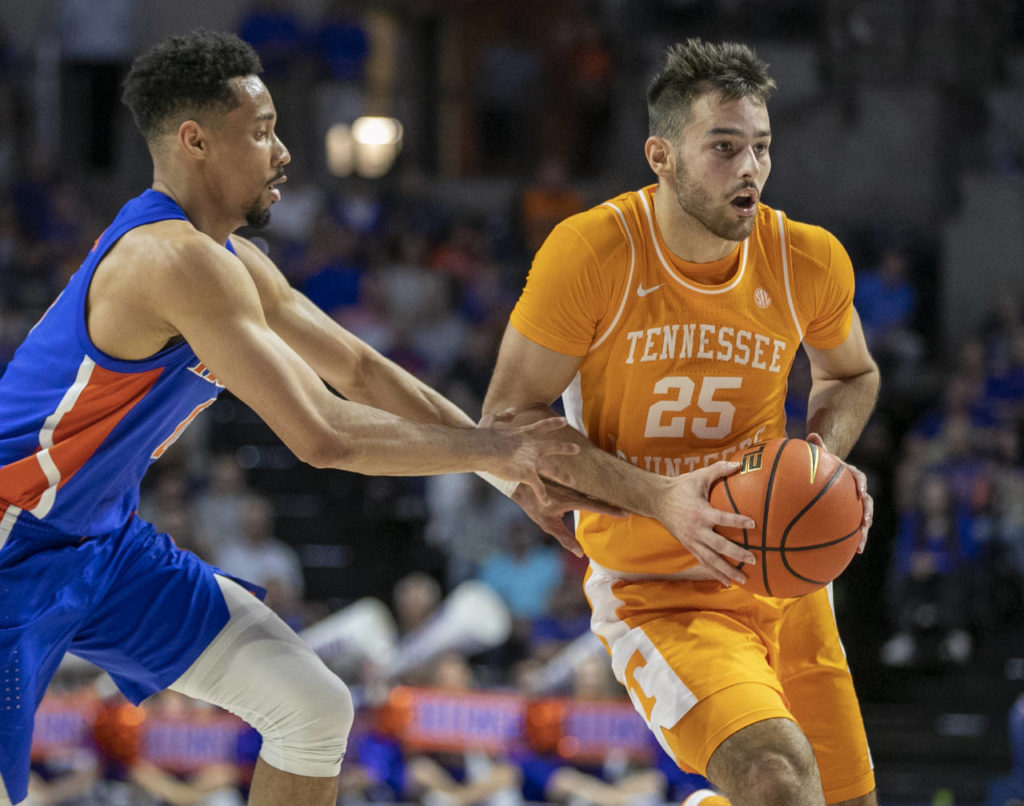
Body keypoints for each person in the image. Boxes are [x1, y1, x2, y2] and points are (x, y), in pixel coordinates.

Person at [0, 29, 587, 806]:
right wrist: (499, 451)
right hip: (10, 544)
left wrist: (509, 476)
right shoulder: (171, 260)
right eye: (262, 132)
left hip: (101, 546)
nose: (283, 153)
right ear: (195, 141)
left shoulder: (234, 262)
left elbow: (361, 371)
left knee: (311, 708)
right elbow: (323, 435)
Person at [482, 39, 880, 806]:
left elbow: (852, 373)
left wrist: (820, 464)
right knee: (774, 779)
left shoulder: (805, 258)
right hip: (657, 588)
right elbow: (505, 420)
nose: (750, 169)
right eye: (724, 148)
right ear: (660, 156)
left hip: (783, 576)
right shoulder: (593, 252)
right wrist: (663, 499)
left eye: (761, 147)